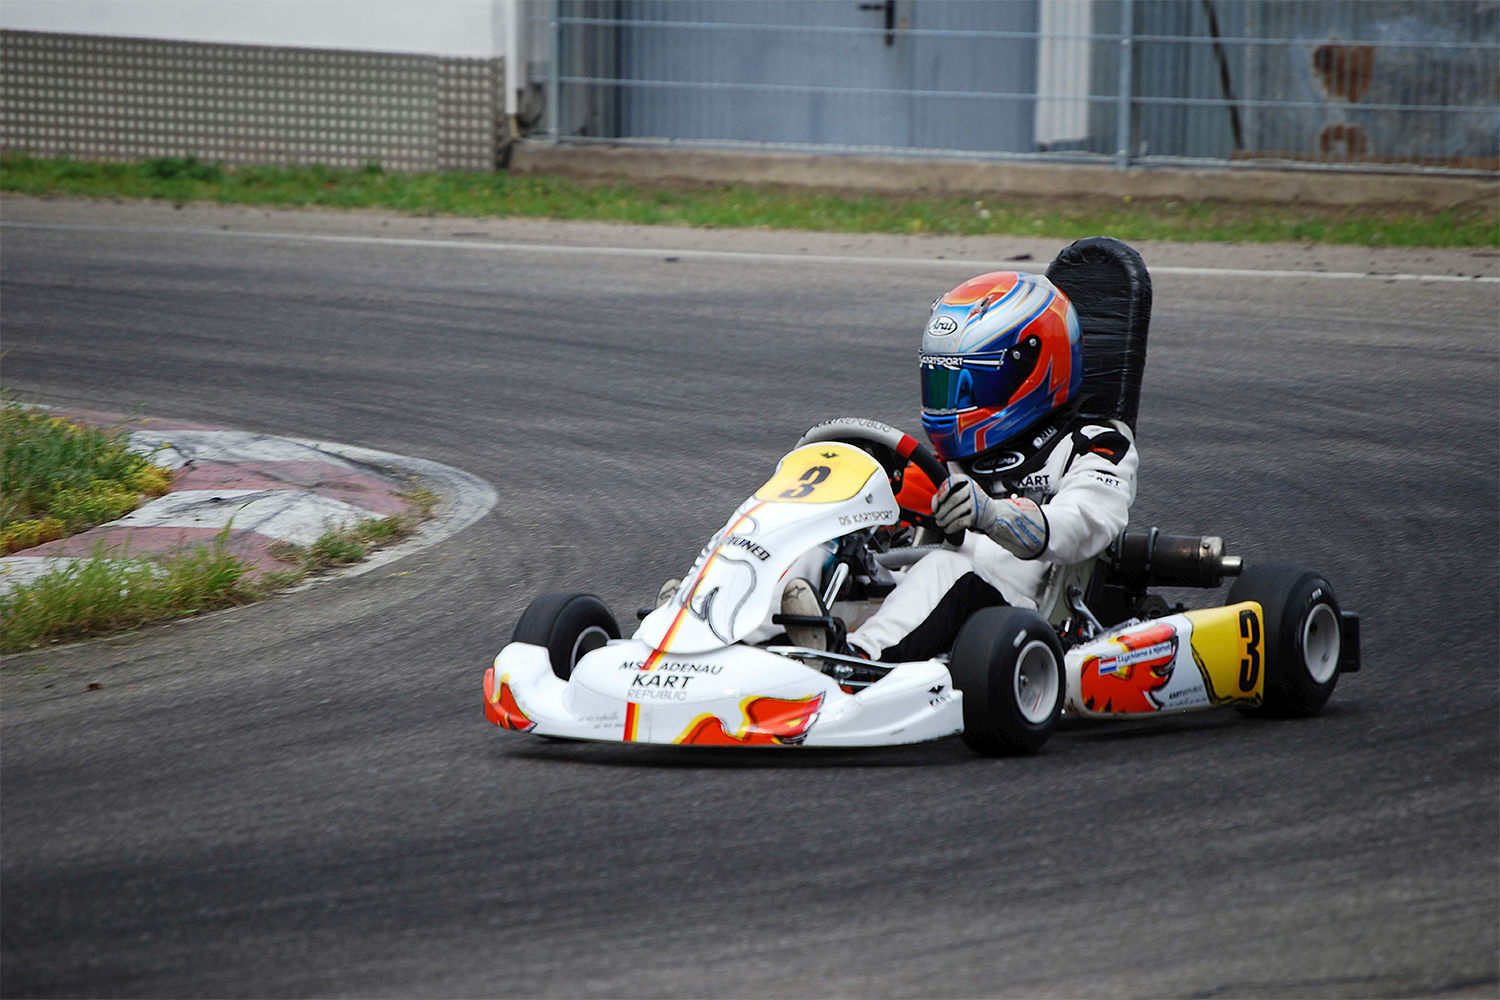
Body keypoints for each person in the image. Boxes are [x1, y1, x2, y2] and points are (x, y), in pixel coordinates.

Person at [783, 270, 1139, 661]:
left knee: (944, 567)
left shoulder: (1096, 443)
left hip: (1017, 620)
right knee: (819, 548)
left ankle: (850, 663)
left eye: (971, 382)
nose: (953, 400)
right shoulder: (956, 458)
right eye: (944, 380)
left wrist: (993, 514)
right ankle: (743, 637)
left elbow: (1082, 525)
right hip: (926, 602)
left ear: (1029, 367)